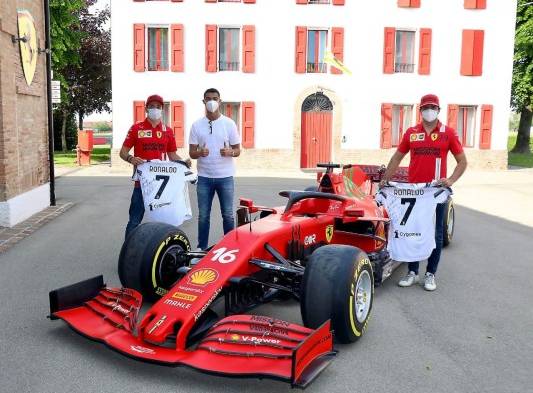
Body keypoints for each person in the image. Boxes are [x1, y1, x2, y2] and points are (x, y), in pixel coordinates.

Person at [380, 93, 467, 291]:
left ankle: (430, 274)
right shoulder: (411, 133)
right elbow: (396, 158)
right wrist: (385, 179)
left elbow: (462, 161)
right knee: (413, 231)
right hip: (414, 192)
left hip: (436, 192)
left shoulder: (448, 133)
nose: (430, 111)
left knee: (435, 234)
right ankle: (412, 272)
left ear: (438, 110)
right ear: (420, 110)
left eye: (433, 107)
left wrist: (451, 180)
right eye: (426, 107)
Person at [120, 94, 189, 238]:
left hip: (161, 187)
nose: (155, 109)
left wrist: (184, 163)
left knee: (162, 222)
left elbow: (172, 155)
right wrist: (131, 158)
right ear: (146, 109)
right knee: (134, 221)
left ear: (162, 109)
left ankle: (160, 250)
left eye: (158, 107)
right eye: (152, 106)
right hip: (142, 183)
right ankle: (128, 252)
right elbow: (123, 152)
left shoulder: (167, 131)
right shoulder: (136, 128)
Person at [188, 88, 241, 250]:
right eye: (208, 98)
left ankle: (230, 248)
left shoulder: (229, 123)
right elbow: (191, 153)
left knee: (228, 215)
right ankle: (201, 249)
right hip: (204, 177)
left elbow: (238, 150)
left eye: (215, 98)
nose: (211, 101)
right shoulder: (197, 125)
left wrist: (230, 152)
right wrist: (199, 152)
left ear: (220, 101)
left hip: (225, 177)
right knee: (203, 216)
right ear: (203, 101)